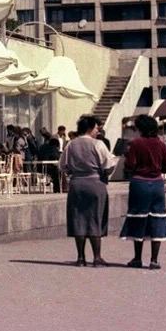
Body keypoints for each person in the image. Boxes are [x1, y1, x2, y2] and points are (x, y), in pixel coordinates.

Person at [59, 114, 116, 267]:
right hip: (95, 183)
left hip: (77, 184)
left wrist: (74, 172)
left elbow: (62, 165)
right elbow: (109, 165)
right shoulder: (98, 144)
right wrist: (105, 173)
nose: (98, 131)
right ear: (91, 128)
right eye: (97, 128)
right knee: (95, 218)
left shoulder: (70, 145)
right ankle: (97, 257)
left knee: (78, 219)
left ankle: (80, 258)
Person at [120, 114, 166, 270]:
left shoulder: (136, 144)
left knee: (139, 218)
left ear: (141, 128)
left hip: (139, 184)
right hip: (157, 184)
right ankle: (154, 260)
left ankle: (137, 258)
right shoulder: (161, 145)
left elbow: (130, 166)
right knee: (157, 218)